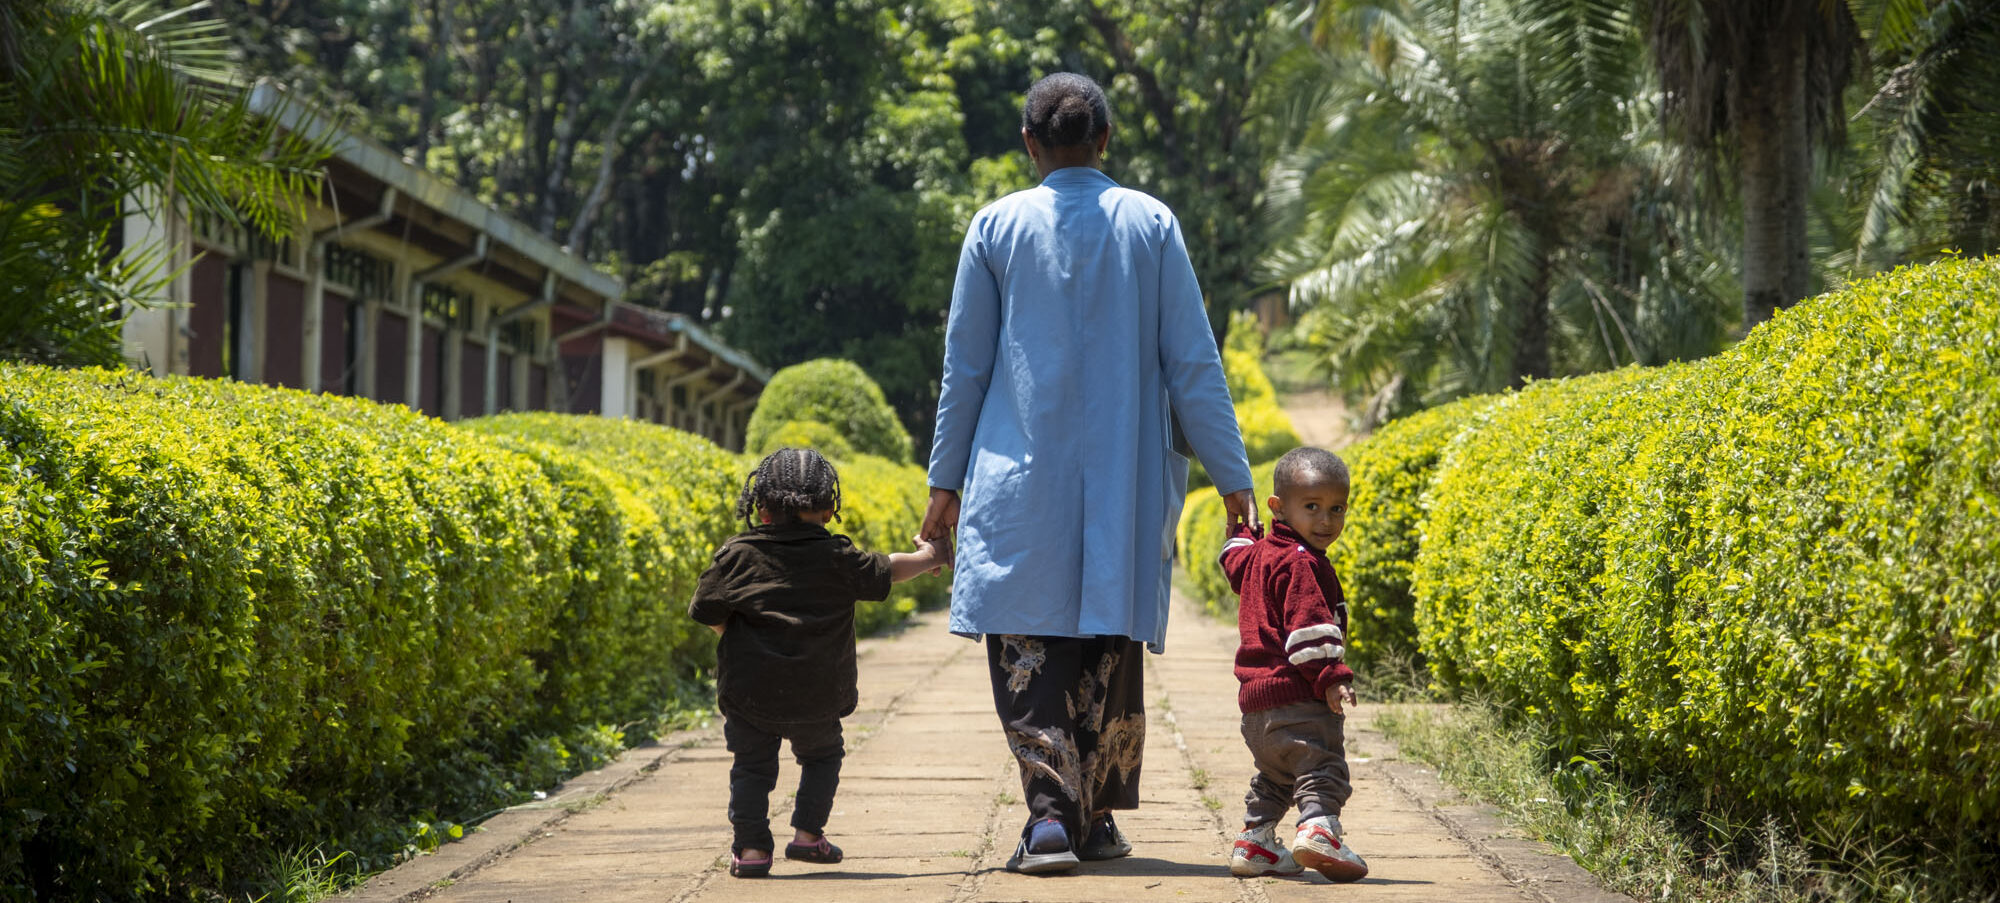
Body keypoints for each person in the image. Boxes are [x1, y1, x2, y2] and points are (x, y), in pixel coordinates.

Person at [921, 71, 1257, 875]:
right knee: (1109, 642)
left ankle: (1050, 821)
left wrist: (944, 482)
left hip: (1018, 477)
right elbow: (1193, 363)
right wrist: (1233, 475)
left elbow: (963, 368)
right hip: (1125, 479)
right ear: (1106, 140)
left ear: (1030, 145)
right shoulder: (1151, 223)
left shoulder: (996, 225)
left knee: (1030, 643)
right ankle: (1093, 816)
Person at [689, 447, 946, 879]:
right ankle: (808, 836)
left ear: (761, 509)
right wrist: (933, 555)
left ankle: (751, 851)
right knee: (823, 757)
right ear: (829, 510)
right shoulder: (839, 559)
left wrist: (734, 635)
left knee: (751, 767)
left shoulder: (737, 556)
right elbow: (890, 569)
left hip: (750, 691)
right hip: (819, 693)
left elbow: (705, 609)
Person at [1218, 446, 1369, 882]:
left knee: (1276, 776)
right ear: (1279, 507)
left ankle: (1256, 843)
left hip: (1256, 709)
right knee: (1322, 768)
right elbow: (1309, 628)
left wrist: (1241, 532)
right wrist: (1331, 678)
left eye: (1336, 508)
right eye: (1312, 508)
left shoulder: (1260, 554)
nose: (1326, 521)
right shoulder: (1302, 561)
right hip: (1299, 700)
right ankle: (1320, 830)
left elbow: (1234, 563)